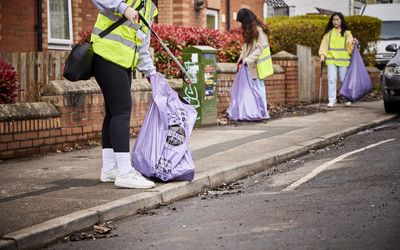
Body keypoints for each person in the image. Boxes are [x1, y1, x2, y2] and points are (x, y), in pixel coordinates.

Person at [90, 0, 157, 189]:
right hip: (106, 55)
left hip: (124, 63)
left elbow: (142, 46)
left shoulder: (149, 8)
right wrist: (123, 8)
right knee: (122, 112)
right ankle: (125, 172)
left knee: (113, 112)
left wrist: (151, 73)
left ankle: (110, 169)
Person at [236, 8, 272, 119]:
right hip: (249, 67)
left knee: (259, 90)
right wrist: (241, 59)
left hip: (257, 67)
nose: (241, 24)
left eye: (242, 22)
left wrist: (247, 60)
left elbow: (259, 49)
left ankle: (263, 113)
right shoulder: (249, 31)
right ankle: (252, 113)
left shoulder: (259, 32)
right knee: (250, 91)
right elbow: (245, 47)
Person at [319, 12, 356, 108]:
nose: (335, 22)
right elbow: (324, 45)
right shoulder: (329, 33)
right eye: (334, 20)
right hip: (331, 59)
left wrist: (353, 42)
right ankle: (332, 100)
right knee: (331, 80)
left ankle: (347, 98)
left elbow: (350, 46)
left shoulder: (347, 33)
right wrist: (322, 54)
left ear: (341, 21)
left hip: (343, 60)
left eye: (337, 20)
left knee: (344, 80)